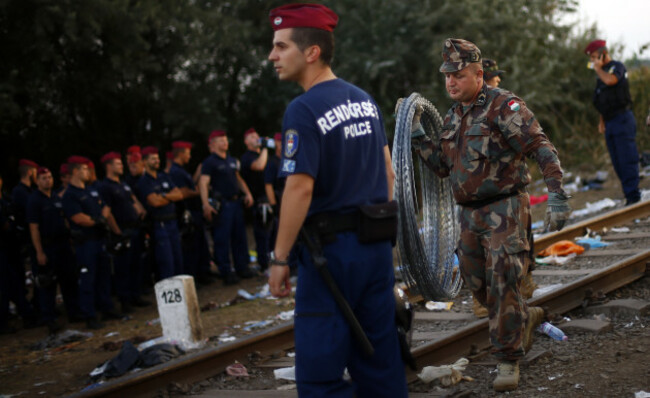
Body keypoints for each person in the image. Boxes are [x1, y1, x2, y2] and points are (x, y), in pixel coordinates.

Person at [408, 38, 570, 391]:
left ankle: (508, 360)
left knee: (502, 281)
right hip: (468, 215)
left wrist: (556, 193)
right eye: (447, 76)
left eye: (459, 75)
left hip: (505, 208)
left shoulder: (503, 106)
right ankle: (523, 320)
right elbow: (441, 166)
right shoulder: (453, 116)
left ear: (479, 75)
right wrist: (419, 135)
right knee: (477, 285)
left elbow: (540, 146)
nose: (451, 82)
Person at [267, 4, 408, 397]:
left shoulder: (303, 109)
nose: (272, 56)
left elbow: (300, 188)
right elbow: (388, 171)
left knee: (319, 376)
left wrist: (280, 259)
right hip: (375, 244)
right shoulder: (363, 99)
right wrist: (380, 230)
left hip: (331, 256)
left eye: (281, 46)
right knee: (381, 361)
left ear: (311, 52)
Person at [62, 156, 122, 329]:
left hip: (100, 239)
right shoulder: (70, 195)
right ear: (75, 171)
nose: (88, 172)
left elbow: (106, 207)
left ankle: (106, 308)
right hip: (85, 243)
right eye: (84, 169)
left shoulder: (90, 190)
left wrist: (101, 220)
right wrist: (98, 220)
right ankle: (90, 315)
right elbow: (79, 218)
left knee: (104, 276)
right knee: (87, 279)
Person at [584, 39, 641, 206]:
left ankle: (634, 197)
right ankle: (629, 196)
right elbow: (602, 99)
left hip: (623, 119)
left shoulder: (616, 67)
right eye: (591, 58)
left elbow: (611, 81)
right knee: (617, 162)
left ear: (603, 54)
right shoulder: (600, 74)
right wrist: (602, 120)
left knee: (626, 158)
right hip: (610, 122)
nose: (593, 61)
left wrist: (599, 68)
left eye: (595, 57)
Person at [27, 167, 80, 333]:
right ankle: (49, 319)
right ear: (37, 181)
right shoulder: (34, 200)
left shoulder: (56, 197)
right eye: (43, 178)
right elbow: (33, 228)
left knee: (68, 280)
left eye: (50, 177)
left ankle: (74, 312)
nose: (47, 180)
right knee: (48, 284)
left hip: (63, 244)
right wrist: (39, 252)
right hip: (47, 246)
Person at [199, 130, 255, 285]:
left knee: (240, 237)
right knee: (222, 239)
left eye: (225, 140)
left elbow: (238, 179)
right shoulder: (210, 162)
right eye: (221, 140)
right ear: (213, 144)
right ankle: (225, 271)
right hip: (223, 205)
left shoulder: (231, 160)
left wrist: (248, 193)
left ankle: (242, 267)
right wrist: (206, 204)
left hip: (236, 202)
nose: (225, 143)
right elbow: (203, 183)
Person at [98, 152, 150, 313]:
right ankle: (125, 300)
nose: (121, 166)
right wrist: (118, 233)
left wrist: (140, 211)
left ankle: (136, 295)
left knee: (136, 265)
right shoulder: (105, 187)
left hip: (135, 228)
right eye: (118, 164)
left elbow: (133, 201)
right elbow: (108, 212)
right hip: (122, 231)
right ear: (109, 166)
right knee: (123, 268)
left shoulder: (123, 184)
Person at [168, 141, 213, 284]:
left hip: (194, 213)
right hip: (188, 214)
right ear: (180, 154)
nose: (190, 156)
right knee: (191, 247)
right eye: (187, 153)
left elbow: (189, 187)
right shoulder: (175, 172)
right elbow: (182, 192)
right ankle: (194, 276)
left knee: (199, 244)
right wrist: (197, 192)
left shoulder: (182, 170)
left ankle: (202, 274)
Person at [136, 146, 185, 280]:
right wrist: (170, 196)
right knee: (166, 262)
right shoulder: (144, 181)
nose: (157, 161)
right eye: (153, 159)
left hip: (172, 222)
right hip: (159, 224)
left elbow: (179, 194)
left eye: (157, 158)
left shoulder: (164, 177)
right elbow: (154, 202)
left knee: (178, 259)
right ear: (145, 162)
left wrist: (163, 196)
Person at [240, 127, 273, 273]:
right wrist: (265, 148)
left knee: (273, 234)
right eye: (253, 137)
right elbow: (259, 166)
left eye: (257, 136)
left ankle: (274, 262)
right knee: (262, 235)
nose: (257, 139)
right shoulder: (247, 157)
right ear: (246, 142)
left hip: (268, 200)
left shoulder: (263, 156)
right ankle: (264, 265)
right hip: (258, 202)